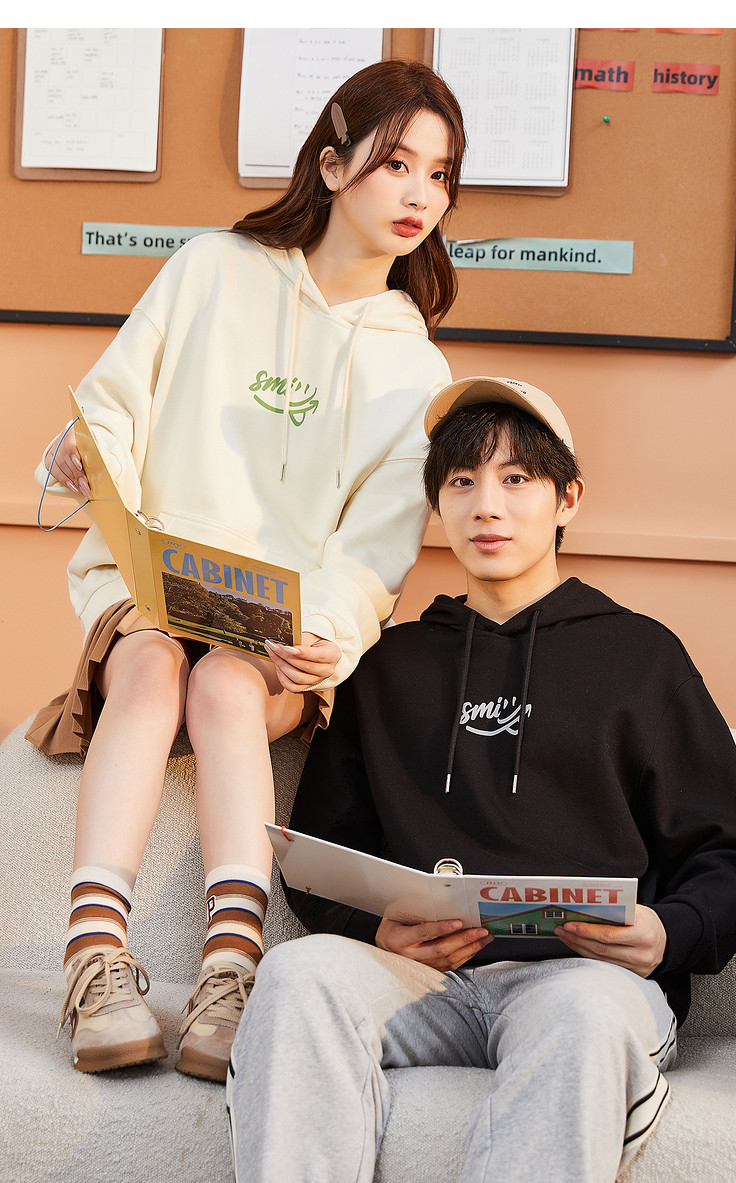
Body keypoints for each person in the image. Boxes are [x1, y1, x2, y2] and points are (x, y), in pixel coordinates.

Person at [27, 58, 466, 1081]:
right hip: (151, 585)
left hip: (278, 629)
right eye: (396, 163)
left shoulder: (416, 368)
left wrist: (330, 636)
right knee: (151, 669)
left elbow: (374, 548)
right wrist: (81, 451)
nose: (419, 194)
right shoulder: (211, 269)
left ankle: (231, 970)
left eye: (440, 175)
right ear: (332, 163)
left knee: (225, 680)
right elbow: (113, 405)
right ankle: (95, 959)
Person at [227, 376, 736, 1182]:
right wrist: (372, 928)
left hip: (586, 981)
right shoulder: (387, 665)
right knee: (296, 974)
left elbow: (730, 847)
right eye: (461, 481)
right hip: (419, 979)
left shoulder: (641, 657)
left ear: (567, 498)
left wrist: (669, 931)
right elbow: (322, 846)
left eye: (516, 479)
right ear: (436, 505)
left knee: (585, 1012)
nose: (487, 506)